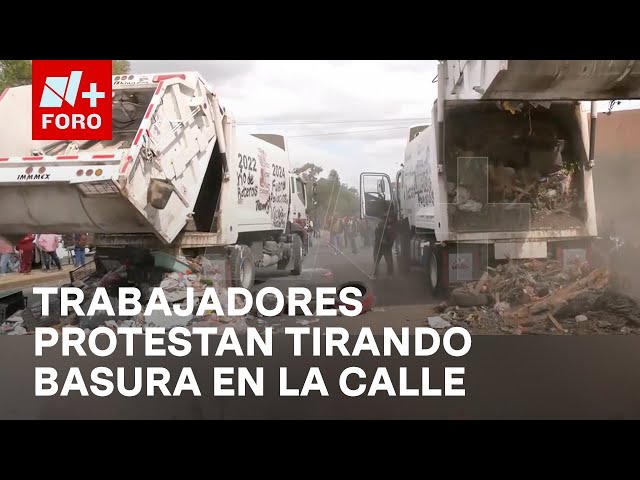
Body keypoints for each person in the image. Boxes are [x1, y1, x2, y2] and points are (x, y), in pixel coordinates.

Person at [373, 213, 397, 278]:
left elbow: (393, 235)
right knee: (376, 261)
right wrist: (382, 240)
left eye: (391, 218)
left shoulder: (391, 226)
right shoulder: (380, 225)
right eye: (389, 218)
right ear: (386, 218)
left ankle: (390, 274)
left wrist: (390, 242)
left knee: (389, 261)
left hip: (387, 247)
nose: (391, 219)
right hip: (378, 246)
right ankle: (375, 274)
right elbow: (376, 234)